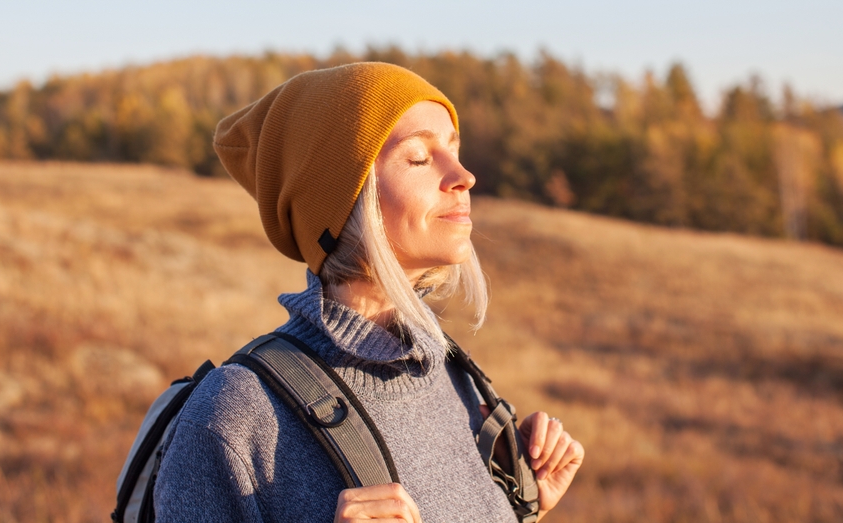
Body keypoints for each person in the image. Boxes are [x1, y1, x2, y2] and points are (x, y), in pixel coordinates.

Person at [154, 62, 584, 522]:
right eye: (419, 157)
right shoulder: (235, 413)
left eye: (455, 150)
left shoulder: (452, 375)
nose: (463, 175)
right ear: (343, 200)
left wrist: (524, 503)